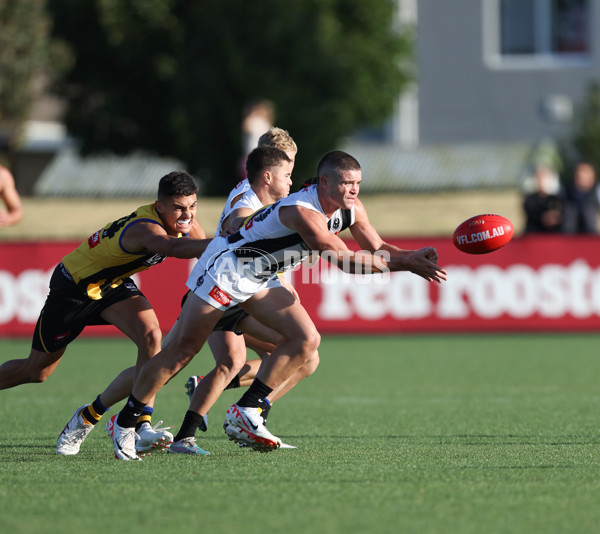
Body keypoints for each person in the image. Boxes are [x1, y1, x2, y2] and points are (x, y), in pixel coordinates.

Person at [110, 150, 447, 460]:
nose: (354, 190)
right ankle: (124, 424)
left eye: (358, 183)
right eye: (347, 183)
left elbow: (375, 246)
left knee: (307, 341)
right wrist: (404, 266)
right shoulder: (301, 210)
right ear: (325, 181)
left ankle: (249, 411)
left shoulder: (352, 209)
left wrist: (410, 256)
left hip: (262, 277)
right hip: (226, 270)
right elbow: (343, 260)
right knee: (181, 352)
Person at [0, 171, 211, 456]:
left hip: (111, 286)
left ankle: (137, 423)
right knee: (36, 371)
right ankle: (102, 417)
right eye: (178, 207)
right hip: (73, 287)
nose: (186, 215)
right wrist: (221, 242)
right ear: (160, 206)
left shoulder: (187, 224)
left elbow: (208, 262)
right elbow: (171, 247)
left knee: (152, 339)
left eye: (192, 206)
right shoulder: (145, 228)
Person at [169, 145, 321, 455]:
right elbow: (240, 218)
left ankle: (188, 435)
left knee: (233, 362)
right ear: (268, 173)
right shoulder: (249, 197)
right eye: (288, 170)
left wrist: (282, 278)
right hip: (227, 289)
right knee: (301, 352)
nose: (291, 179)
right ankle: (249, 415)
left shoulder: (275, 200)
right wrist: (237, 225)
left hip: (240, 289)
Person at [561, 161, 600, 234]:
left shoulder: (597, 192)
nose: (580, 174)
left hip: (594, 241)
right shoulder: (566, 194)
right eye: (578, 171)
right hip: (569, 240)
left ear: (593, 175)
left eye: (585, 171)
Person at [522, 165, 562, 233]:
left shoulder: (557, 199)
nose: (541, 181)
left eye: (544, 177)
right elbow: (533, 213)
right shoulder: (529, 199)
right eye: (539, 178)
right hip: (534, 236)